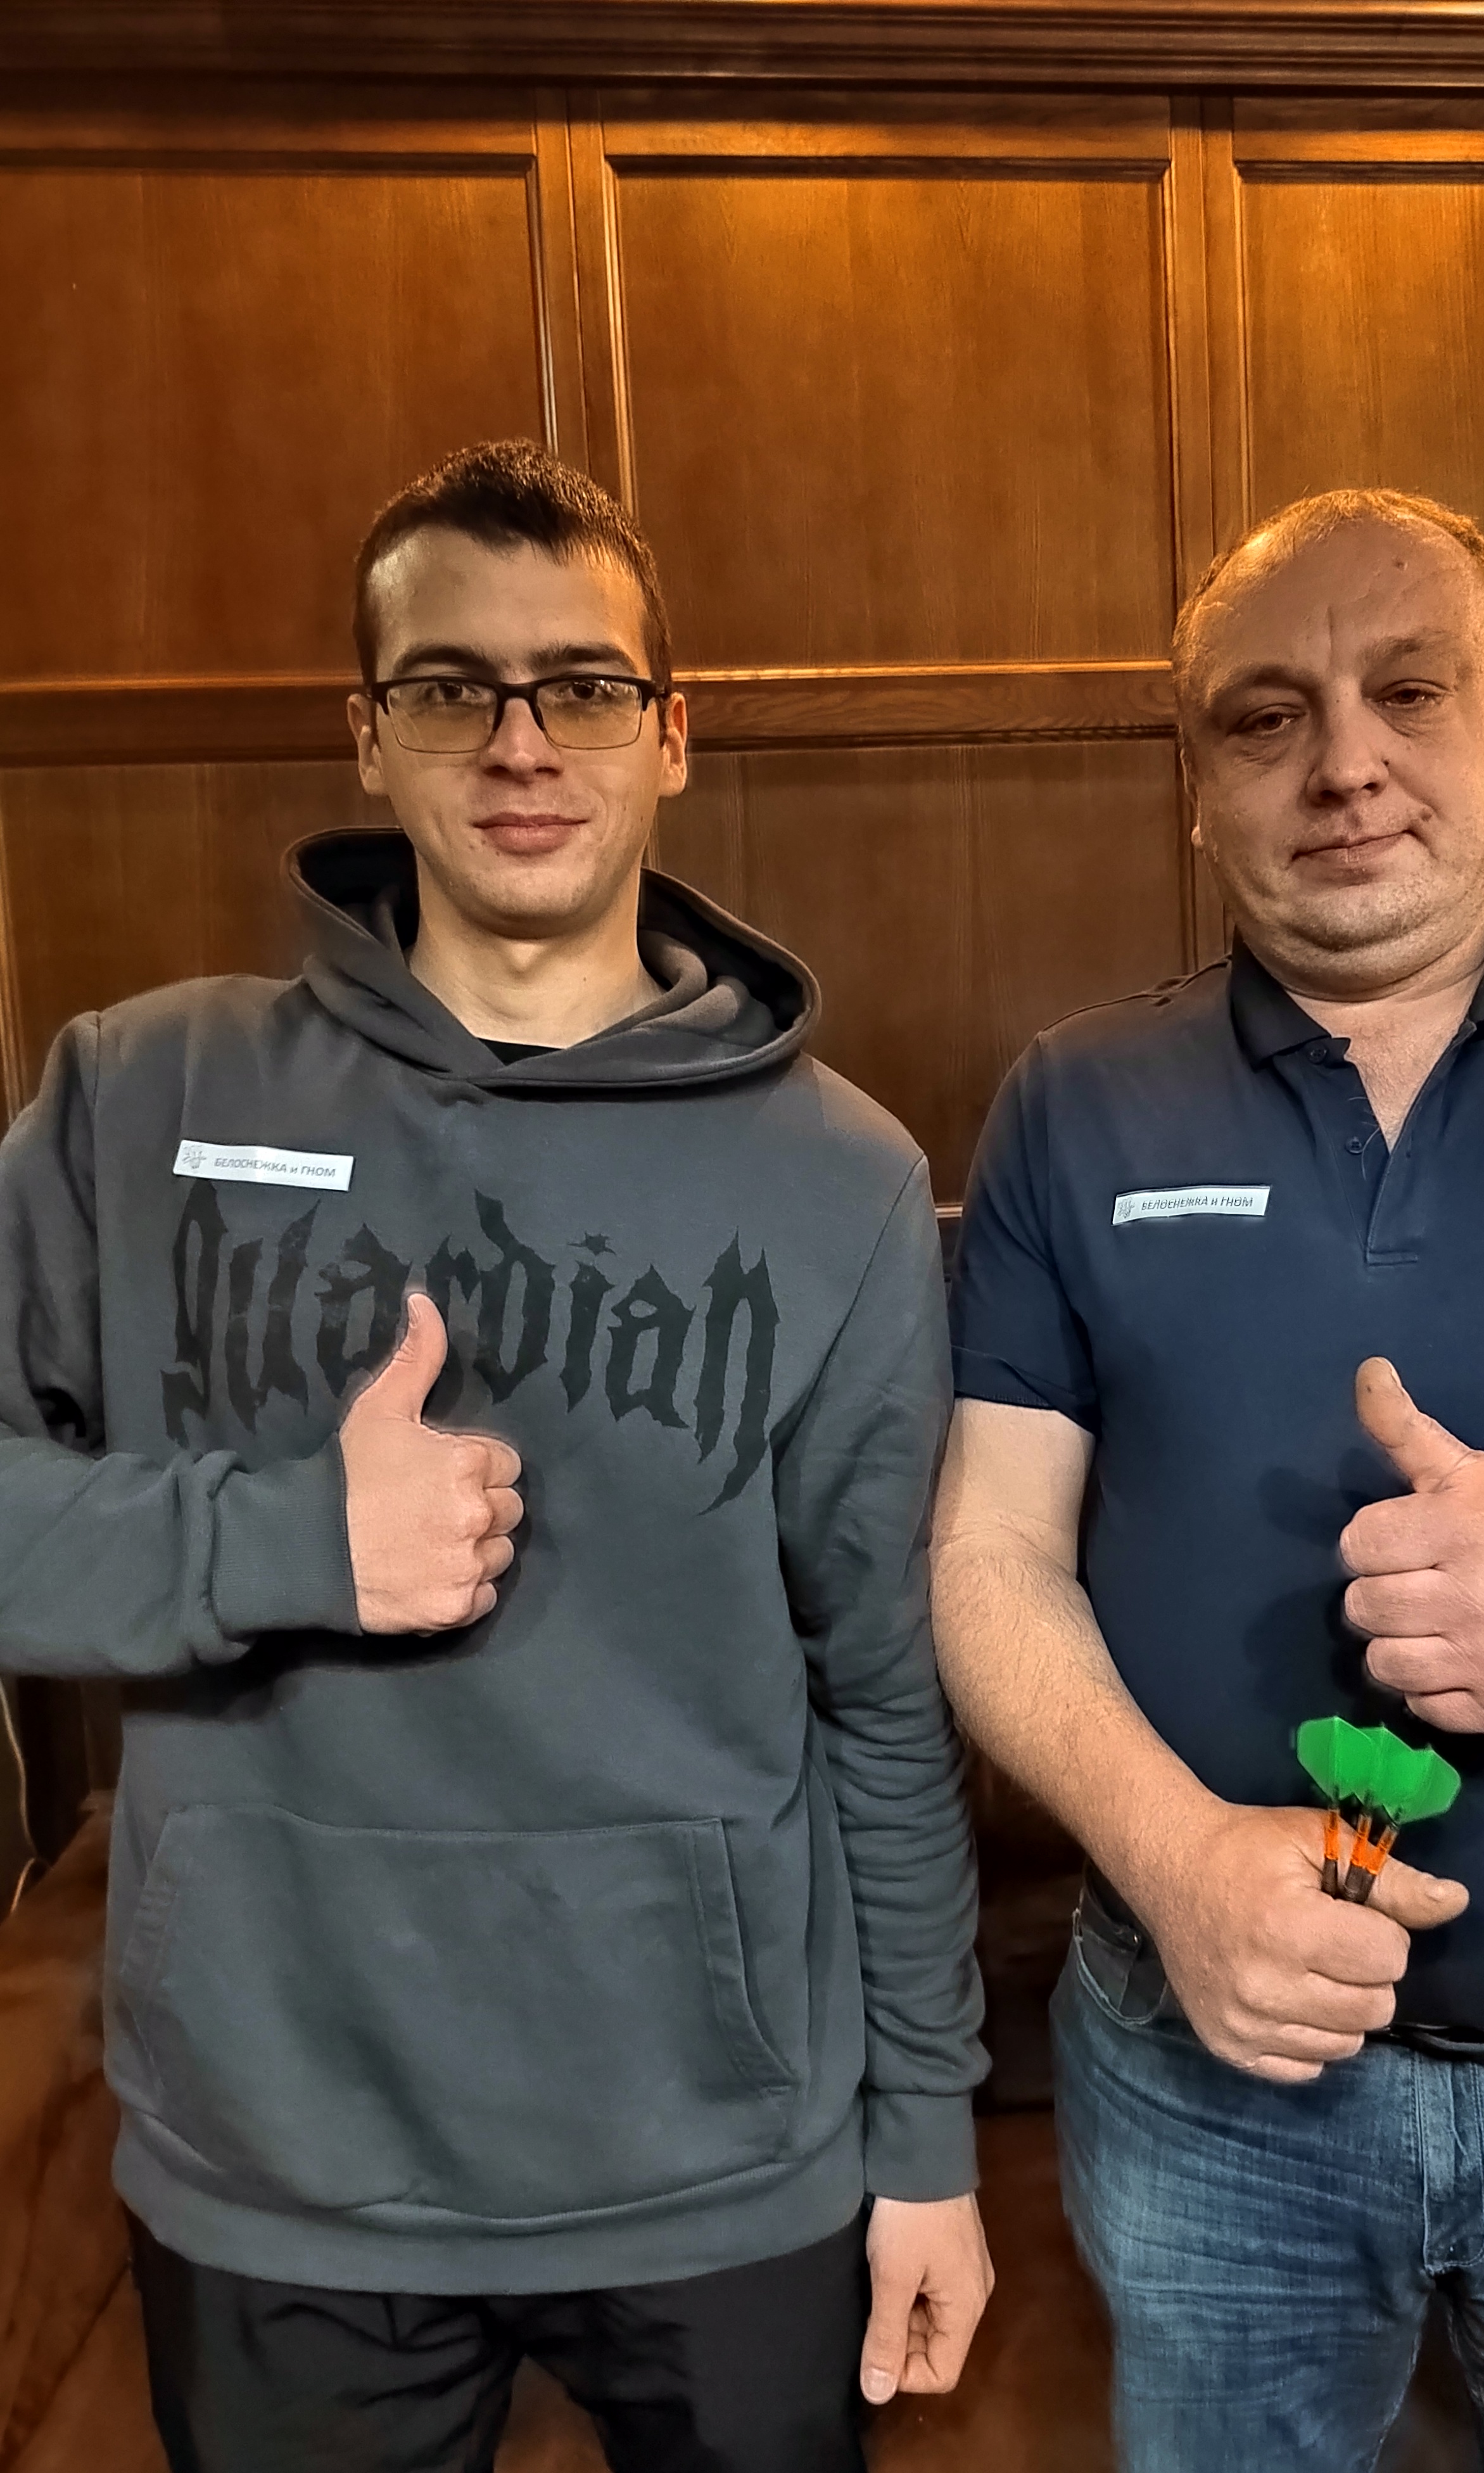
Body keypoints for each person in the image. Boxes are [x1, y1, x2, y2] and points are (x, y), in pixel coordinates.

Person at [0, 440, 990, 2472]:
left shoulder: (844, 1179)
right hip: (281, 2167)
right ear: (370, 735)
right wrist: (283, 1539)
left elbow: (885, 1697)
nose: (522, 742)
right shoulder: (141, 1094)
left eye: (584, 687)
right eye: (452, 686)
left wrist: (927, 2136)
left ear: (670, 737)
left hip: (726, 2164)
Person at [931, 485, 1484, 2472]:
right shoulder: (1077, 1103)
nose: (1343, 763)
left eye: (1408, 691)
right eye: (1266, 716)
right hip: (1207, 2075)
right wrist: (1177, 1862)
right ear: (1199, 787)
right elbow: (988, 1553)